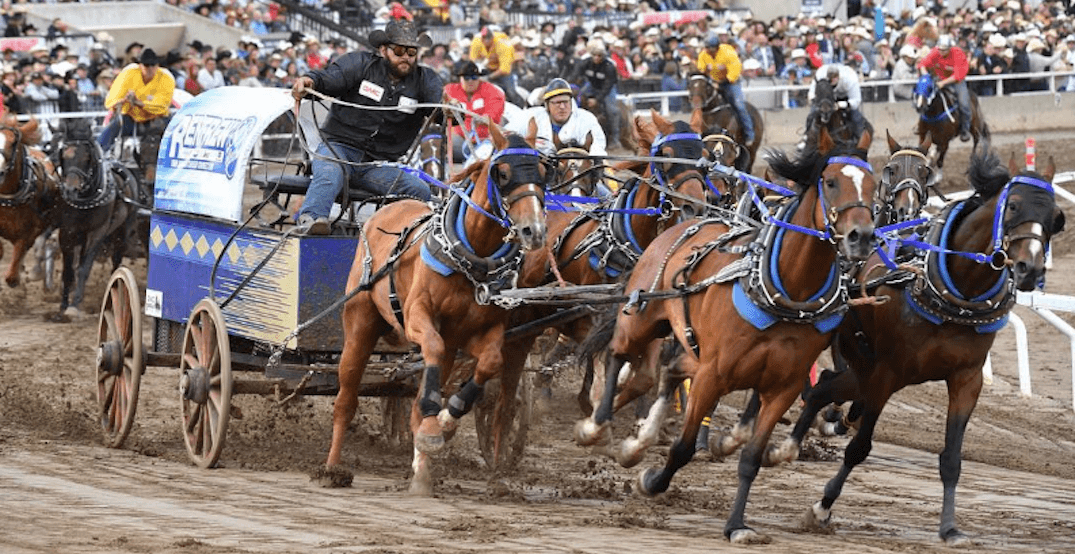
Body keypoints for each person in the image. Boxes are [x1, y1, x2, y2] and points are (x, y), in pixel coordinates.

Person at [291, 20, 444, 235]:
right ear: (383, 50)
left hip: (378, 164)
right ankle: (311, 221)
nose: (406, 57)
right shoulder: (359, 64)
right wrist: (309, 81)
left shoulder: (426, 79)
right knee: (330, 172)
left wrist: (451, 111)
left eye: (411, 52)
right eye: (399, 50)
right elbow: (328, 79)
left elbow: (442, 111)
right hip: (338, 149)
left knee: (418, 189)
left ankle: (406, 236)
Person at [505, 77, 607, 192]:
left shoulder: (586, 118)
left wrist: (597, 161)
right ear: (547, 105)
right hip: (538, 175)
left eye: (565, 102)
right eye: (557, 103)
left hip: (579, 174)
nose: (562, 107)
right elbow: (507, 133)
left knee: (605, 195)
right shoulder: (532, 116)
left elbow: (598, 145)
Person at [97, 48, 175, 152]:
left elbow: (161, 106)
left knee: (173, 134)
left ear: (158, 66)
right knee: (111, 130)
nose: (150, 68)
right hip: (131, 119)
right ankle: (98, 155)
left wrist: (140, 103)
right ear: (140, 65)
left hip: (157, 120)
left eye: (153, 65)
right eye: (147, 65)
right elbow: (112, 99)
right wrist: (123, 100)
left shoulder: (166, 77)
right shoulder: (129, 73)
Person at [696, 30, 755, 143]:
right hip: (713, 82)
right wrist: (704, 71)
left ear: (717, 48)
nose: (708, 51)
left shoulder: (728, 52)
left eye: (711, 49)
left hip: (730, 83)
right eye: (707, 48)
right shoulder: (704, 54)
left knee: (739, 105)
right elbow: (700, 67)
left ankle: (749, 134)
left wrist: (721, 82)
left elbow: (735, 70)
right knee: (702, 102)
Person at [442, 60, 505, 163]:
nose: (470, 81)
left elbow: (494, 114)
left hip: (485, 139)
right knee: (440, 144)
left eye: (474, 77)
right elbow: (439, 103)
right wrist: (448, 103)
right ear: (460, 79)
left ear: (479, 78)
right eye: (466, 78)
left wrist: (484, 118)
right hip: (459, 138)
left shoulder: (492, 91)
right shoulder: (450, 90)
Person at [917, 34, 972, 141]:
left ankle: (965, 129)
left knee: (964, 104)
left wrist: (943, 83)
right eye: (940, 50)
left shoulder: (958, 54)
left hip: (956, 82)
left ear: (949, 49)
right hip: (939, 78)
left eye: (944, 50)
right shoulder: (935, 52)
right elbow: (923, 64)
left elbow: (958, 75)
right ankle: (921, 125)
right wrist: (925, 75)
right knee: (925, 97)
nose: (941, 52)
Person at [570, 41, 620, 142]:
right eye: (595, 55)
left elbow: (608, 85)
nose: (596, 58)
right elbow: (576, 73)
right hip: (592, 86)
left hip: (608, 89)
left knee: (611, 110)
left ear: (603, 57)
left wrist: (597, 99)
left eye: (599, 56)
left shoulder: (609, 67)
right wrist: (570, 82)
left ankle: (615, 138)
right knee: (578, 99)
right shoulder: (586, 63)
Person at [805, 62, 866, 143]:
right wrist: (818, 103)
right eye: (829, 78)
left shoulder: (850, 79)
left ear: (839, 77)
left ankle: (858, 142)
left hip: (845, 97)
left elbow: (856, 101)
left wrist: (840, 105)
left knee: (856, 118)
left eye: (834, 78)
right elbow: (811, 93)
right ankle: (806, 138)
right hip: (826, 97)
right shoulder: (820, 75)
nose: (831, 80)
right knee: (812, 114)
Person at [469, 26, 524, 107]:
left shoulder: (503, 45)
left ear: (492, 38)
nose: (484, 42)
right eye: (483, 39)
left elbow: (504, 69)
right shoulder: (476, 41)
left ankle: (520, 106)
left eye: (487, 39)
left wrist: (489, 77)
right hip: (488, 66)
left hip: (504, 70)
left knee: (510, 92)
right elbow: (472, 61)